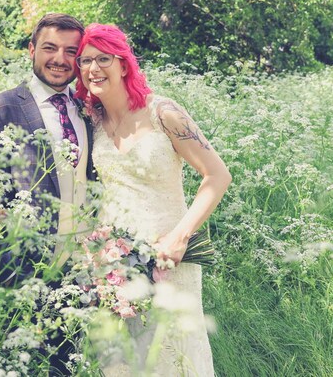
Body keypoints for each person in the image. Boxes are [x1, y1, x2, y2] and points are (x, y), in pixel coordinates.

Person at [73, 23, 231, 376]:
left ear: (124, 64)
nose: (93, 69)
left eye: (103, 59)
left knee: (170, 356)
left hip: (168, 259)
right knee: (121, 361)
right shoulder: (92, 119)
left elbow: (217, 175)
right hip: (113, 264)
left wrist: (180, 236)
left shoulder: (164, 113)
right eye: (85, 61)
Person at [0, 13, 96, 375]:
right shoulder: (0, 109)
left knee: (69, 364)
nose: (60, 59)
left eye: (70, 51)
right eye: (49, 48)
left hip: (81, 269)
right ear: (31, 50)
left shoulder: (89, 110)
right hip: (25, 271)